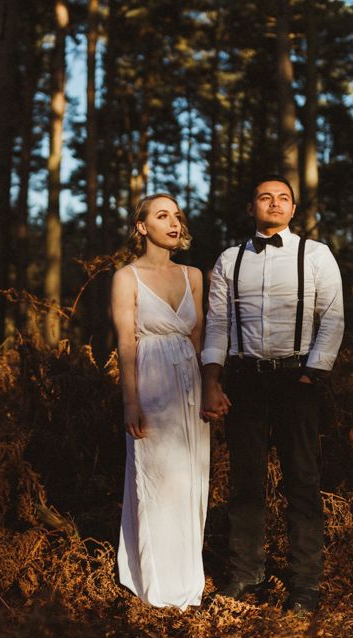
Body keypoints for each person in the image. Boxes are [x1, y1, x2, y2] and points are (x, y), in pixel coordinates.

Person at [200, 174, 344, 614]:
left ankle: (305, 585)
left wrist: (311, 376)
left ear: (293, 209)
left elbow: (332, 317)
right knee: (245, 483)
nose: (275, 203)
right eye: (266, 197)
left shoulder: (315, 254)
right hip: (245, 380)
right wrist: (213, 379)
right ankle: (247, 573)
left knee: (302, 482)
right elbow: (218, 324)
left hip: (295, 380)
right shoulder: (230, 259)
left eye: (284, 198)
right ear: (252, 207)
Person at [111, 193, 210, 609]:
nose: (173, 222)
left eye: (177, 215)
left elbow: (199, 337)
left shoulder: (193, 275)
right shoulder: (126, 277)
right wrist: (130, 401)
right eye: (161, 215)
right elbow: (126, 343)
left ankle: (189, 580)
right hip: (150, 380)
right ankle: (157, 586)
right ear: (141, 226)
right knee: (153, 479)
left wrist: (210, 389)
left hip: (190, 383)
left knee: (192, 481)